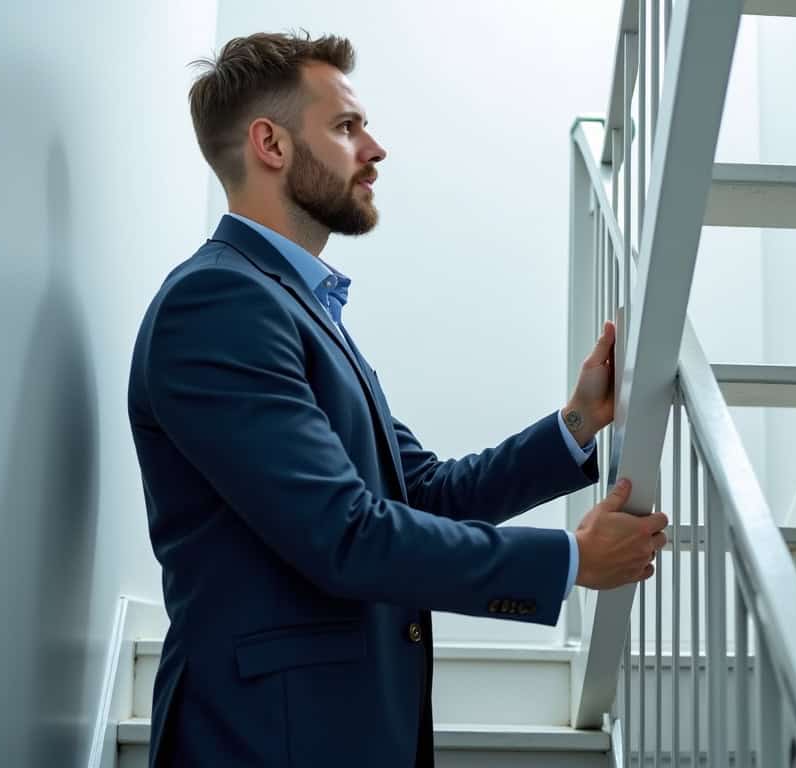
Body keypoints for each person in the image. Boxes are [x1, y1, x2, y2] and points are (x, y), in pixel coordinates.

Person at [127, 31, 668, 767]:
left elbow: (421, 492)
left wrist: (578, 421)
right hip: (268, 740)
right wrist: (570, 561)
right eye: (347, 127)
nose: (375, 148)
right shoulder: (218, 302)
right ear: (271, 144)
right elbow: (346, 534)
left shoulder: (298, 308)